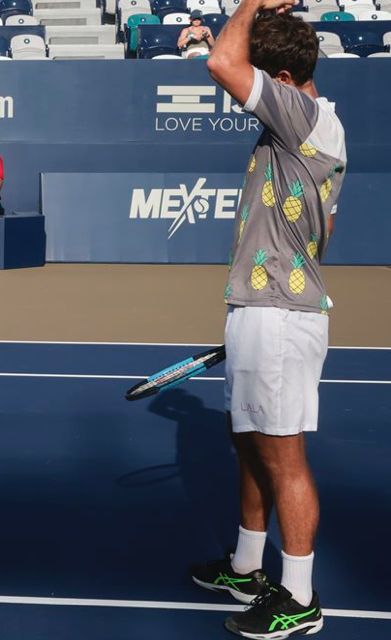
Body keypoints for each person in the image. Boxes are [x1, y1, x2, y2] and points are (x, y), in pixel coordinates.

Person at [189, 3, 345, 638]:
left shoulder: (298, 112)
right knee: (248, 444)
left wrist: (249, 4)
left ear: (281, 77)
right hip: (269, 307)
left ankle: (299, 600)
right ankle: (248, 566)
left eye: (261, 73)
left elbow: (220, 61)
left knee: (283, 458)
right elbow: (322, 230)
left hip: (276, 314)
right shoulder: (315, 124)